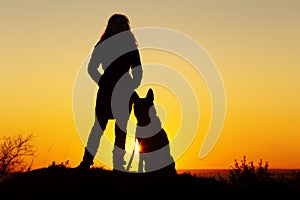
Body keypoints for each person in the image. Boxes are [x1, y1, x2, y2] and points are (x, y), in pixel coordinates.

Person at [77, 13, 143, 171]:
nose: (119, 26)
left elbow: (138, 70)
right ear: (110, 26)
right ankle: (86, 162)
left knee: (121, 129)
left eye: (122, 23)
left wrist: (132, 85)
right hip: (106, 90)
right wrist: (102, 83)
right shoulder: (102, 45)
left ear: (126, 27)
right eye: (116, 23)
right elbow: (92, 67)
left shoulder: (131, 46)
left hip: (125, 90)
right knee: (98, 127)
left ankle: (118, 164)